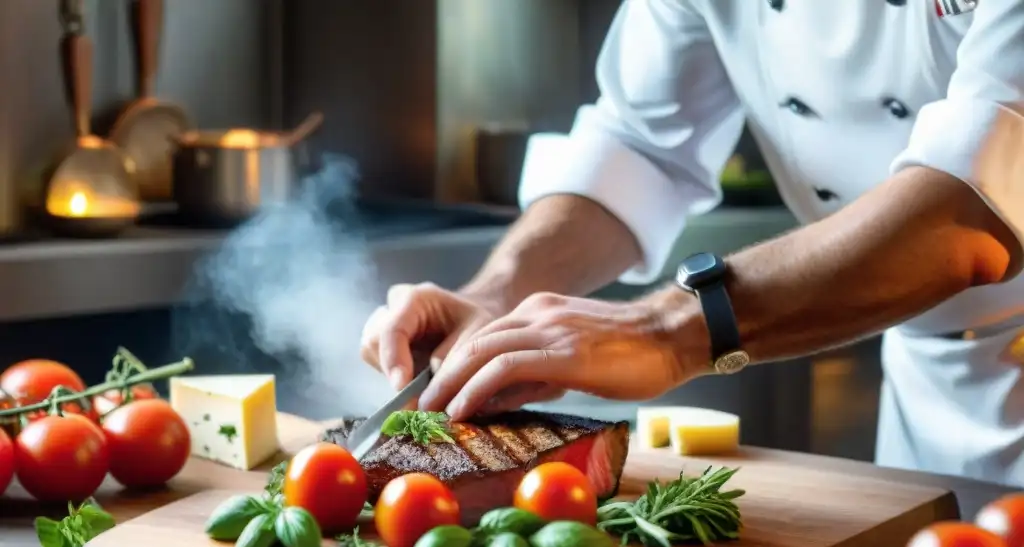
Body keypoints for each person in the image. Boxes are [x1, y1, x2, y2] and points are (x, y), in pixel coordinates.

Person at [361, 0, 1024, 484]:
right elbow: (642, 146)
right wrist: (494, 299)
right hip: (924, 394)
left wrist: (669, 328)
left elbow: (970, 205)